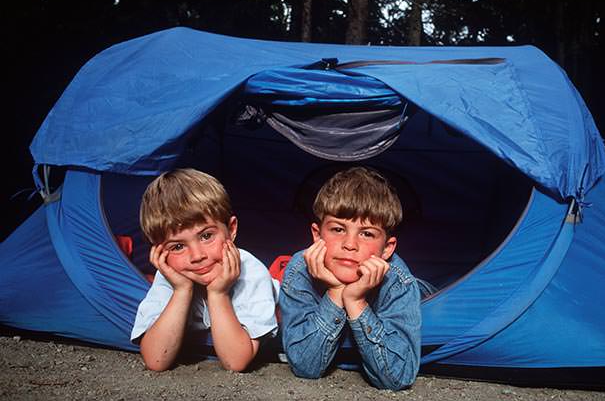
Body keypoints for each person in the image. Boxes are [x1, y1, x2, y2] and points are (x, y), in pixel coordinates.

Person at [279, 166, 423, 390]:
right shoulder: (299, 270)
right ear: (317, 235)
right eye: (338, 229)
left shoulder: (399, 281)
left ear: (387, 248)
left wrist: (356, 301)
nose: (349, 244)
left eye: (366, 233)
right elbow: (305, 366)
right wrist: (337, 292)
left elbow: (398, 377)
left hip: (423, 290)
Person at [130, 168, 278, 372]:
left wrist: (218, 293)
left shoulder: (251, 272)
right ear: (159, 252)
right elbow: (156, 360)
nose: (197, 255)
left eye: (206, 236)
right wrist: (181, 290)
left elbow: (235, 361)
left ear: (231, 229)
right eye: (178, 246)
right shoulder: (171, 275)